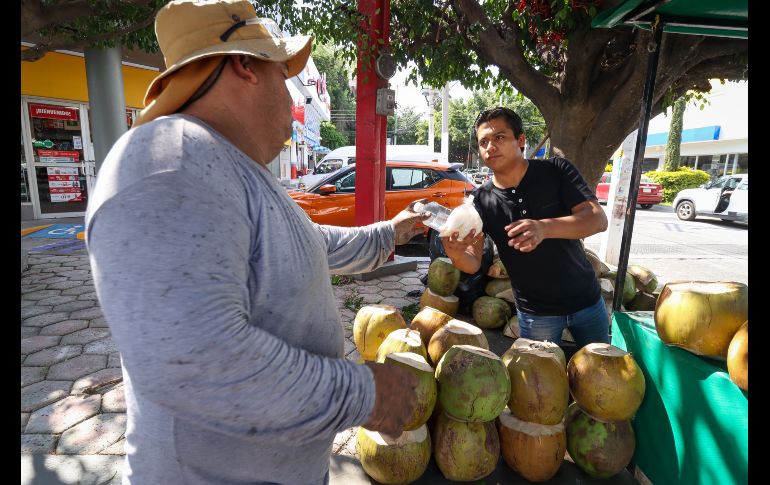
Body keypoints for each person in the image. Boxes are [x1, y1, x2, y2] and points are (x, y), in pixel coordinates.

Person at [84, 1, 428, 483]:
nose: (290, 96)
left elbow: (308, 243)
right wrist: (366, 395)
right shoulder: (168, 160)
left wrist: (392, 231)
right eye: (281, 73)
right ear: (245, 65)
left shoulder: (229, 166)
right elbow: (199, 363)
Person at [441, 107, 609, 348]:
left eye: (499, 137)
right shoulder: (482, 201)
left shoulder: (556, 171)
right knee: (540, 384)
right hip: (536, 314)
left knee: (601, 379)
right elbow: (474, 262)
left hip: (587, 302)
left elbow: (597, 219)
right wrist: (455, 252)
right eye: (484, 142)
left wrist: (543, 228)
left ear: (520, 140)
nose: (490, 146)